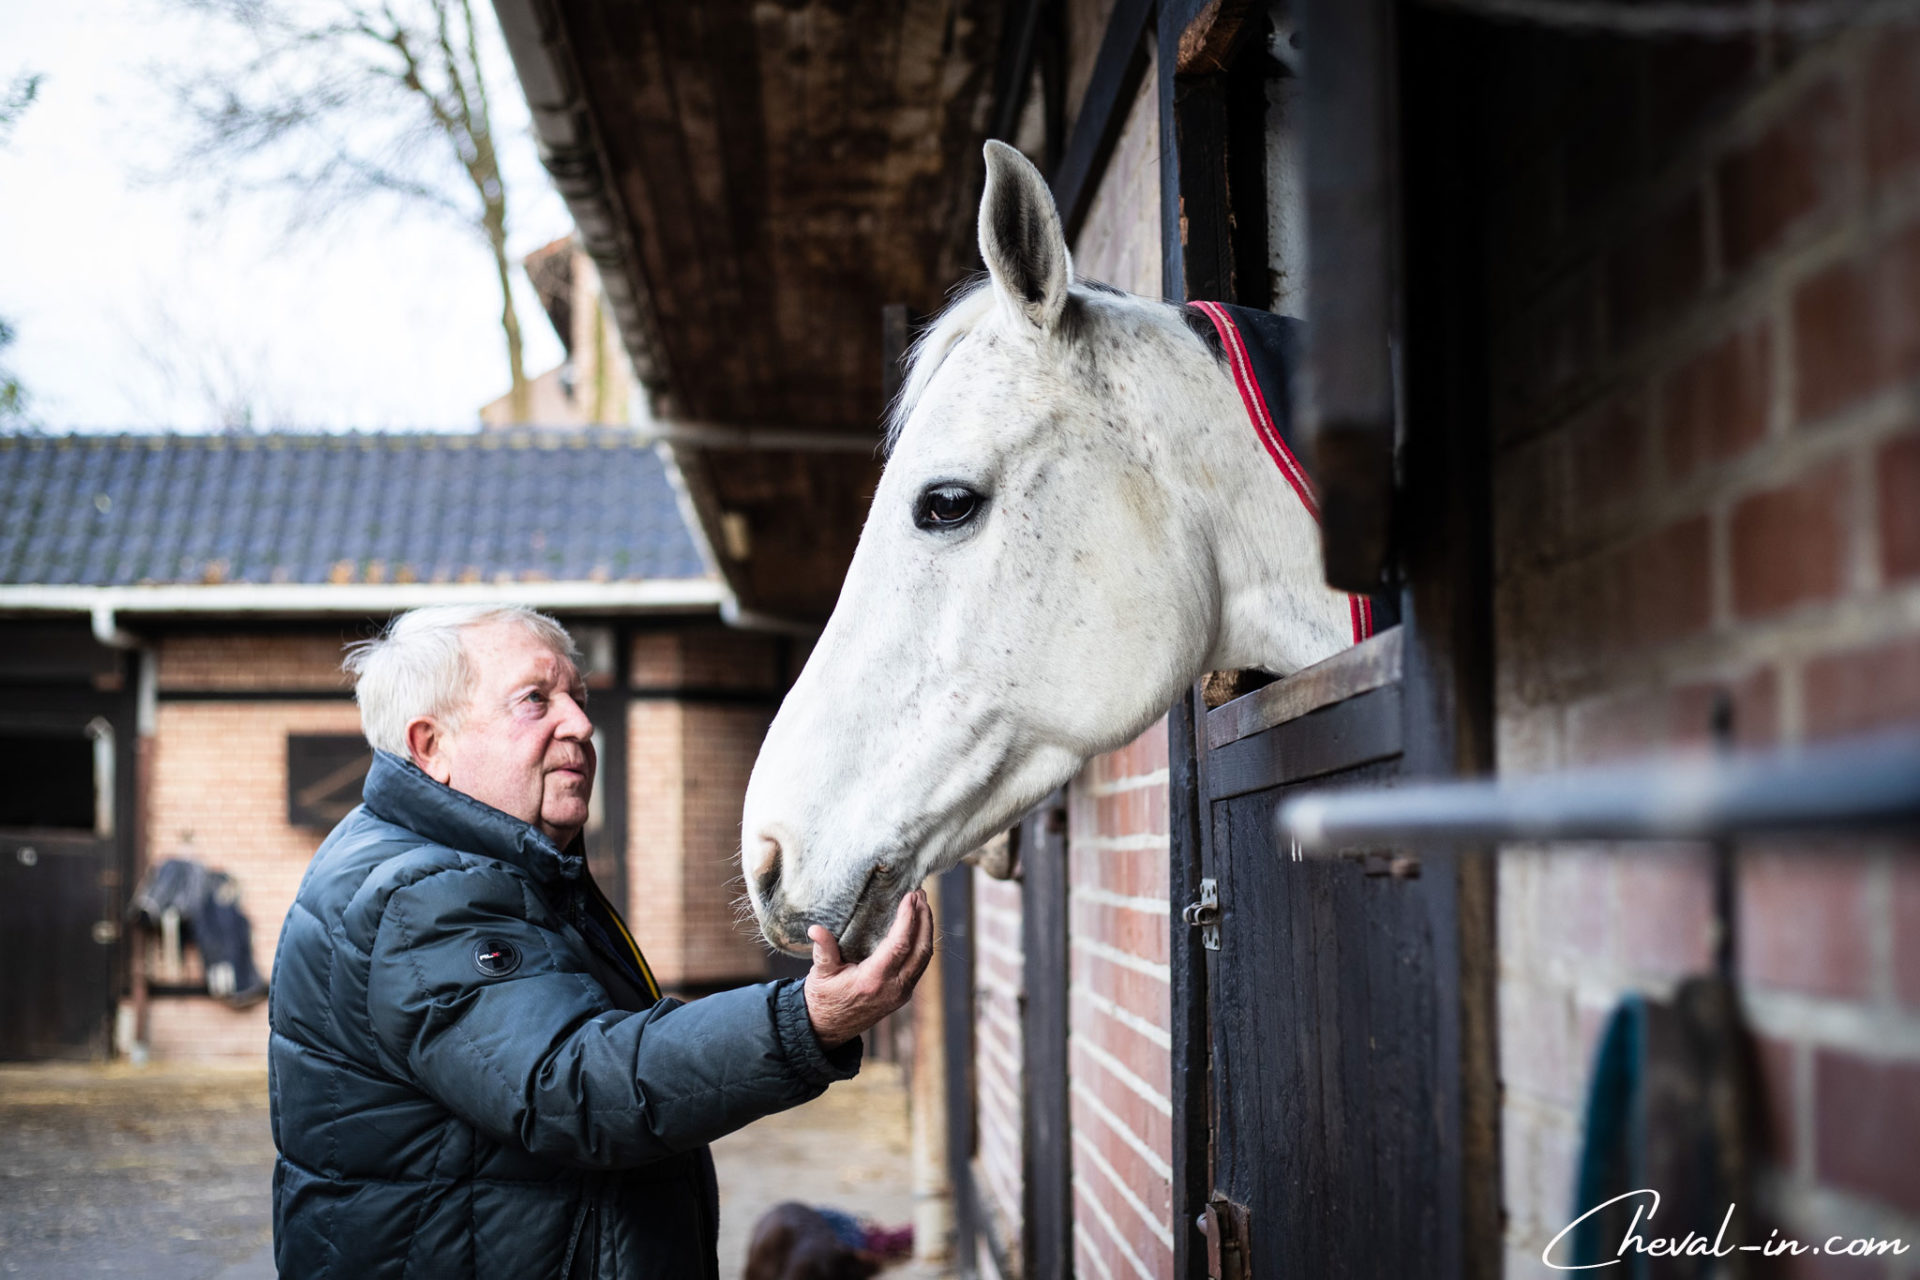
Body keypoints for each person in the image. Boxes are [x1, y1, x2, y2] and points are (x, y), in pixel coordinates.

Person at [268, 604, 934, 1279]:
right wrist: (803, 1023)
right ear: (430, 745)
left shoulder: (462, 861)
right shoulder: (424, 894)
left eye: (578, 698)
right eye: (536, 700)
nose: (582, 725)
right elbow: (570, 1085)